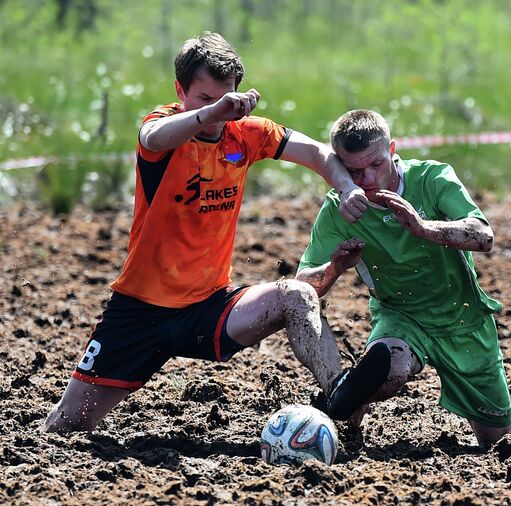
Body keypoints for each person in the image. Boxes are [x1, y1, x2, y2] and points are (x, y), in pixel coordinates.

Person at [43, 32, 370, 433]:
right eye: (204, 98)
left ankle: (341, 401)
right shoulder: (164, 126)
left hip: (210, 306)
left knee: (297, 295)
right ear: (180, 91)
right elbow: (151, 138)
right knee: (67, 427)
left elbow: (319, 154)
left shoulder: (246, 133)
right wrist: (209, 114)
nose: (218, 111)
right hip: (140, 310)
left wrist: (348, 187)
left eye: (225, 98)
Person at [296, 109, 511, 448]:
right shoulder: (339, 208)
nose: (366, 178)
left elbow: (483, 236)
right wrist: (336, 267)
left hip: (463, 317)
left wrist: (425, 228)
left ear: (392, 150)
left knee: (496, 442)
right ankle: (348, 406)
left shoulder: (432, 178)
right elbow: (304, 287)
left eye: (376, 165)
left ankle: (349, 395)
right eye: (354, 171)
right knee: (388, 369)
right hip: (401, 315)